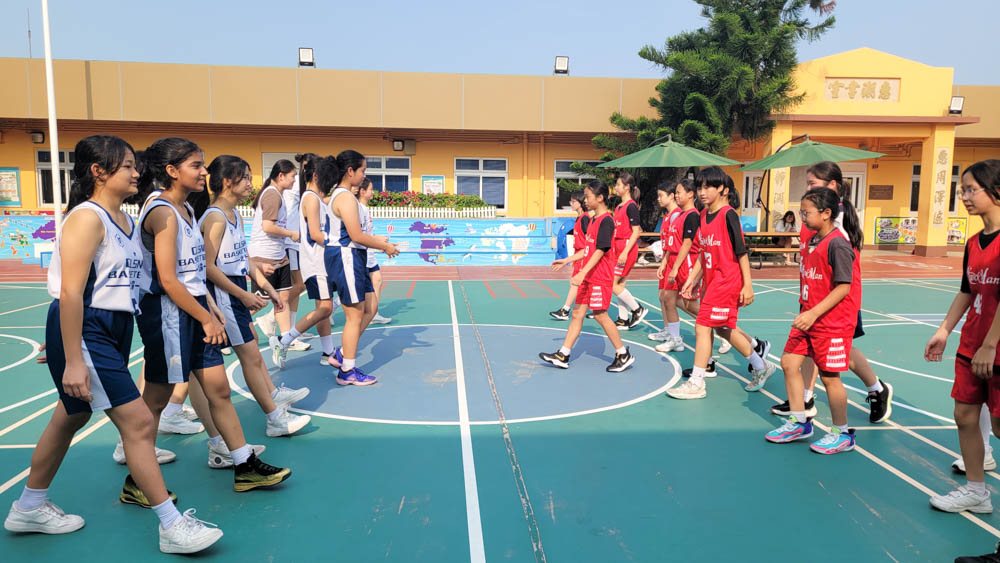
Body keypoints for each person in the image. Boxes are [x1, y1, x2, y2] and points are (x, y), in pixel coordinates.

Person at [4, 135, 222, 554]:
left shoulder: (123, 220)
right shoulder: (87, 218)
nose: (137, 173)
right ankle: (172, 526)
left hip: (112, 328)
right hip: (89, 327)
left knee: (71, 417)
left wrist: (67, 345)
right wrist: (72, 356)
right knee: (138, 423)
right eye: (127, 166)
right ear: (98, 172)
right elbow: (70, 293)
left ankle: (29, 506)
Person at [135, 137, 291, 491]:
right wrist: (206, 315)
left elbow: (193, 273)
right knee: (156, 399)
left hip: (195, 310)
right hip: (168, 315)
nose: (204, 171)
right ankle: (135, 470)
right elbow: (168, 279)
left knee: (218, 389)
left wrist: (212, 308)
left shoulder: (188, 211)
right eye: (196, 165)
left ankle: (243, 463)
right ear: (172, 171)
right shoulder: (162, 212)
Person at [191, 154, 310, 437]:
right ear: (226, 182)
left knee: (252, 352)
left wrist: (269, 289)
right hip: (223, 296)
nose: (250, 183)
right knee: (250, 356)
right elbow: (207, 267)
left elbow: (244, 260)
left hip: (232, 293)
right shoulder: (215, 217)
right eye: (244, 177)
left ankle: (274, 405)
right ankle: (274, 418)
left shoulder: (234, 216)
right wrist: (242, 296)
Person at [770, 162, 892, 425]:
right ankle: (804, 399)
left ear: (832, 186)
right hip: (813, 295)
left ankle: (875, 389)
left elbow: (842, 276)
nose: (807, 187)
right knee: (811, 349)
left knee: (837, 354)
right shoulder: (812, 217)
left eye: (813, 183)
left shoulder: (837, 225)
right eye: (807, 183)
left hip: (837, 299)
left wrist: (817, 307)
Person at [925, 159, 1000, 514]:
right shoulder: (973, 243)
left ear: (996, 190)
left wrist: (990, 344)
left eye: (971, 189)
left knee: (998, 427)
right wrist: (944, 330)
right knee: (965, 415)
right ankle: (976, 491)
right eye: (962, 191)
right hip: (972, 344)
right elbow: (967, 291)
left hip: (993, 348)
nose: (965, 197)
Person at [764, 187, 860, 454]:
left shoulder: (837, 244)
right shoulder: (813, 240)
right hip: (808, 318)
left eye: (806, 213)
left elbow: (844, 287)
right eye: (802, 212)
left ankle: (842, 434)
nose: (802, 217)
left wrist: (813, 313)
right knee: (788, 362)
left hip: (830, 322)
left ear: (826, 213)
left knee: (830, 378)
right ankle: (799, 421)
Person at [667, 167, 773, 399]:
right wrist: (693, 279)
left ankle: (697, 382)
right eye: (700, 187)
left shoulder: (728, 215)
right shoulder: (704, 215)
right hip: (711, 282)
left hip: (727, 282)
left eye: (708, 187)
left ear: (723, 189)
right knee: (724, 329)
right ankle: (761, 366)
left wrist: (748, 285)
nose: (702, 192)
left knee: (702, 325)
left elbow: (741, 252)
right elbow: (703, 252)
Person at [540, 180, 635, 372]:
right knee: (576, 314)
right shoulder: (592, 220)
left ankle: (623, 354)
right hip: (588, 276)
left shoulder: (606, 221)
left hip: (599, 277)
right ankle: (563, 354)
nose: (585, 200)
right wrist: (567, 260)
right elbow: (588, 249)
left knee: (600, 315)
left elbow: (600, 250)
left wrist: (582, 272)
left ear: (600, 198)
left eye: (588, 196)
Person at [325, 150, 399, 385]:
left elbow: (354, 233)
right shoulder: (345, 198)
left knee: (369, 307)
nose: (364, 175)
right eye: (362, 170)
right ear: (350, 171)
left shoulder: (344, 196)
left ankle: (342, 356)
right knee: (354, 315)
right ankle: (347, 371)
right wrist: (384, 246)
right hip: (346, 257)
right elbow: (355, 235)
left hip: (354, 256)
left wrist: (377, 242)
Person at [272, 154, 341, 368]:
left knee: (324, 308)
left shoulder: (315, 198)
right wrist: (340, 240)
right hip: (316, 262)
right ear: (316, 175)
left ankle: (327, 352)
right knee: (325, 309)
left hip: (321, 262)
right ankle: (284, 340)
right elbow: (315, 234)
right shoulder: (310, 198)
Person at [249, 160, 299, 347]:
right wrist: (291, 233)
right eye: (292, 176)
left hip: (279, 256)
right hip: (265, 255)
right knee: (259, 302)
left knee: (283, 298)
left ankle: (286, 339)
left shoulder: (277, 194)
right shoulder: (272, 195)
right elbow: (268, 226)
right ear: (281, 176)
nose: (294, 180)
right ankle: (227, 325)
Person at [610, 173, 648, 329]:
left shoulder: (631, 206)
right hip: (617, 246)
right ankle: (623, 319)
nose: (616, 187)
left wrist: (625, 252)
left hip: (626, 247)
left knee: (612, 283)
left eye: (618, 185)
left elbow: (636, 231)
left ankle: (637, 309)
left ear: (627, 187)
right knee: (620, 284)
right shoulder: (619, 206)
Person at [649, 182, 682, 343]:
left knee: (681, 302)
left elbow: (678, 243)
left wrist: (666, 261)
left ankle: (719, 328)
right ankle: (668, 330)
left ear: (671, 196)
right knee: (663, 296)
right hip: (667, 260)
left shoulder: (678, 215)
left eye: (661, 195)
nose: (658, 199)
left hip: (676, 262)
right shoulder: (667, 216)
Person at [550, 191, 590, 321]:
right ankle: (596, 309)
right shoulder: (579, 218)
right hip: (579, 255)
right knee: (582, 284)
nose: (571, 203)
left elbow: (588, 242)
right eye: (571, 201)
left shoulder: (585, 219)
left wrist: (579, 257)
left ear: (581, 202)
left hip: (584, 256)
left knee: (575, 283)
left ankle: (565, 310)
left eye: (573, 201)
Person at [357, 178, 392, 325]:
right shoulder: (358, 209)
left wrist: (378, 241)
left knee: (377, 279)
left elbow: (366, 233)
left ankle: (374, 313)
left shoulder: (365, 209)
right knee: (357, 287)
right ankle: (331, 309)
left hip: (369, 251)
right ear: (362, 191)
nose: (373, 192)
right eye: (371, 189)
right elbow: (359, 234)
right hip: (362, 252)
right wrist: (379, 242)